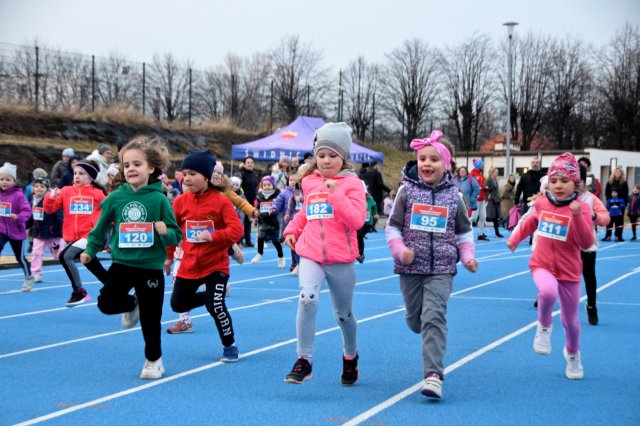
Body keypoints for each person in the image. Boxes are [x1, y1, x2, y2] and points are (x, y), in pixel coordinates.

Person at [81, 136, 182, 380]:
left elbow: (175, 235)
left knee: (151, 319)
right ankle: (131, 304)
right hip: (122, 264)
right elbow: (101, 228)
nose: (131, 169)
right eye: (126, 165)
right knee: (106, 303)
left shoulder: (159, 199)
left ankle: (153, 360)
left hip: (149, 267)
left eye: (137, 164)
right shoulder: (115, 198)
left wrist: (164, 231)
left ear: (151, 168)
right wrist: (90, 249)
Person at [385, 130, 477, 399]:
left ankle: (433, 375)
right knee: (417, 322)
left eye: (434, 159)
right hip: (410, 268)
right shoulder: (406, 191)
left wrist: (468, 256)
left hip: (442, 269)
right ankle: (416, 318)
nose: (427, 164)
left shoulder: (454, 197)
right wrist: (401, 251)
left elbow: (463, 233)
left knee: (434, 317)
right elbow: (392, 228)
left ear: (445, 164)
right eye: (423, 158)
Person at [283, 122, 366, 386]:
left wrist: (336, 194)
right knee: (307, 299)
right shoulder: (309, 182)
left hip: (341, 259)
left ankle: (350, 356)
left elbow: (356, 221)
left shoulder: (353, 184)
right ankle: (304, 360)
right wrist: (292, 229)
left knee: (343, 315)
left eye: (332, 155)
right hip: (310, 254)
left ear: (343, 156)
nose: (326, 160)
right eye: (321, 155)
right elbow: (305, 212)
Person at [506, 152, 593, 380]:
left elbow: (586, 242)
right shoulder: (543, 202)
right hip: (542, 263)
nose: (558, 186)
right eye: (554, 181)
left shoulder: (581, 208)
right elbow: (531, 221)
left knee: (571, 323)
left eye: (564, 181)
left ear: (576, 184)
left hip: (570, 271)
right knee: (546, 291)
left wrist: (576, 217)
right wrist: (515, 239)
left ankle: (572, 355)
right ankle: (543, 326)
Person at [164, 149, 243, 362]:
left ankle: (230, 345)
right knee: (178, 305)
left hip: (215, 265)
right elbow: (174, 232)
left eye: (192, 174)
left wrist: (213, 236)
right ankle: (211, 296)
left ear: (206, 177)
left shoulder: (221, 201)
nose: (186, 178)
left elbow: (237, 231)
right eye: (184, 173)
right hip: (189, 265)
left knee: (215, 306)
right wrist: (169, 256)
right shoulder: (180, 202)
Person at [44, 159, 109, 306]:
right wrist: (50, 197)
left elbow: (111, 212)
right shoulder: (66, 191)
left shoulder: (98, 194)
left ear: (91, 177)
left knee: (65, 256)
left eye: (81, 173)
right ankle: (117, 289)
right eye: (75, 173)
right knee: (96, 268)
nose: (77, 176)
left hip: (90, 236)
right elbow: (49, 209)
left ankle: (79, 292)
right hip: (72, 238)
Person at [576, 164, 610, 326]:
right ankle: (545, 296)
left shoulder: (591, 198)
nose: (575, 184)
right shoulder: (561, 197)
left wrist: (594, 215)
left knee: (589, 275)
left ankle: (591, 306)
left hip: (586, 244)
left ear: (584, 182)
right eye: (572, 180)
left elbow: (606, 218)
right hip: (566, 244)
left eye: (579, 181)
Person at [0, 162, 35, 291]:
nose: (4, 182)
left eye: (8, 179)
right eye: (1, 179)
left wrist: (18, 217)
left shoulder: (18, 195)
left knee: (19, 257)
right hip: (1, 230)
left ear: (14, 181)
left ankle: (29, 276)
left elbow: (27, 211)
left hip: (17, 231)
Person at [28, 176, 64, 284]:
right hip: (38, 234)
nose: (39, 188)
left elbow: (59, 215)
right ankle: (36, 273)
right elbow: (31, 217)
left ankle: (67, 253)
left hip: (52, 233)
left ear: (47, 188)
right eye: (36, 186)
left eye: (42, 186)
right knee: (36, 253)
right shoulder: (32, 201)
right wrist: (25, 226)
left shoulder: (51, 200)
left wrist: (62, 228)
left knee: (58, 254)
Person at [251, 175, 285, 267]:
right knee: (260, 238)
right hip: (263, 220)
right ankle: (259, 253)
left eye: (269, 184)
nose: (266, 186)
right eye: (264, 185)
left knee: (275, 241)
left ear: (273, 185)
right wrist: (255, 217)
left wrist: (276, 203)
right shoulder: (259, 195)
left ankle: (281, 257)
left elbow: (281, 206)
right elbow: (257, 207)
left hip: (274, 221)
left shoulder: (278, 195)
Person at [603, 166, 629, 241]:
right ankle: (608, 235)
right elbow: (607, 192)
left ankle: (618, 236)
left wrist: (623, 204)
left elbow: (625, 194)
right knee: (609, 221)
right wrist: (609, 202)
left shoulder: (624, 182)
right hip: (611, 204)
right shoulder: (610, 182)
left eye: (619, 172)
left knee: (619, 221)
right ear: (614, 173)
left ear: (621, 173)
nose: (617, 173)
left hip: (620, 205)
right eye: (616, 171)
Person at [239, 156, 258, 247]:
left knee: (249, 221)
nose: (250, 164)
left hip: (251, 200)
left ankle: (248, 240)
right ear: (244, 164)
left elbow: (255, 188)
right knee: (241, 221)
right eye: (248, 162)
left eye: (251, 162)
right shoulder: (241, 173)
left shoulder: (254, 174)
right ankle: (240, 240)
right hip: (242, 200)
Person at [356, 186, 378, 263]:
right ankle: (358, 253)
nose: (363, 195)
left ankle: (360, 255)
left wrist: (375, 213)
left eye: (365, 194)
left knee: (360, 236)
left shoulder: (370, 200)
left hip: (367, 223)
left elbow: (375, 206)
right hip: (358, 221)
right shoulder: (356, 199)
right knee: (357, 237)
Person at [469, 159, 490, 241]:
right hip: (476, 199)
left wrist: (486, 189)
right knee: (474, 218)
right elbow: (470, 185)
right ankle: (461, 226)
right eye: (482, 165)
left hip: (482, 198)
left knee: (483, 217)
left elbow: (481, 186)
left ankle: (480, 234)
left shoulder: (480, 174)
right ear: (478, 165)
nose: (483, 166)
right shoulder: (472, 174)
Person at [485, 167, 504, 238]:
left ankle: (497, 232)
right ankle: (482, 232)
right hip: (492, 200)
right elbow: (485, 189)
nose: (497, 174)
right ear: (492, 172)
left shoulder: (495, 180)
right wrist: (489, 197)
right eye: (496, 172)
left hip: (496, 200)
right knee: (492, 216)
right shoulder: (488, 180)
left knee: (496, 216)